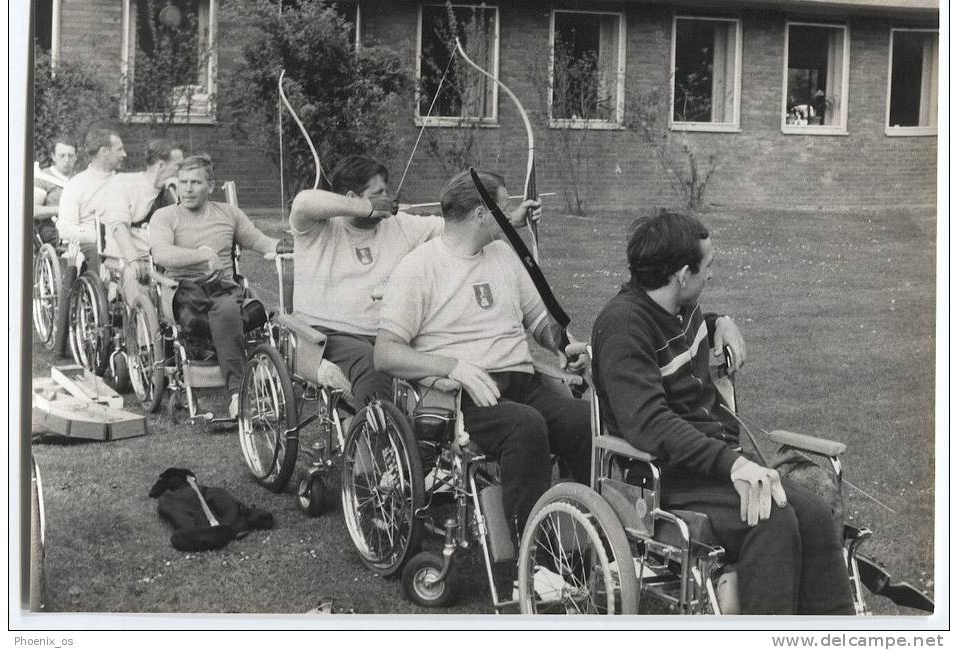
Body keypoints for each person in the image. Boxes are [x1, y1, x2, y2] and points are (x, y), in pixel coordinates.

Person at [590, 210, 854, 615]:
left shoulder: (682, 308)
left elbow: (686, 330)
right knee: (772, 519)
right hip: (667, 475)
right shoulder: (624, 328)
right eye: (707, 266)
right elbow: (650, 424)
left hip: (714, 462)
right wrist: (733, 465)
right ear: (681, 274)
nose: (711, 275)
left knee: (816, 515)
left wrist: (721, 322)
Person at [374, 169, 591, 540]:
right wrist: (454, 367)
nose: (510, 219)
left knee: (581, 419)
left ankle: (585, 534)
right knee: (526, 428)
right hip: (462, 396)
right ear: (480, 214)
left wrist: (562, 344)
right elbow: (386, 353)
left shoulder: (504, 254)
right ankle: (535, 554)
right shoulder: (419, 268)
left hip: (523, 382)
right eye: (503, 211)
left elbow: (540, 322)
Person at [289, 155, 537, 407]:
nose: (387, 198)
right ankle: (376, 438)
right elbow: (303, 202)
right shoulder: (317, 228)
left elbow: (461, 228)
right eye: (378, 193)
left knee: (425, 360)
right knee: (373, 367)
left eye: (386, 191)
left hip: (382, 335)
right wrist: (368, 207)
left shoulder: (400, 225)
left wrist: (510, 221)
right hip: (327, 332)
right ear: (352, 198)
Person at [149, 154, 284, 418]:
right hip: (183, 289)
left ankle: (236, 394)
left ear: (210, 186)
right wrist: (202, 254)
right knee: (226, 310)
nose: (187, 189)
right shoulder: (165, 216)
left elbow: (260, 241)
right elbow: (161, 254)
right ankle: (239, 392)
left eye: (195, 182)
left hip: (222, 288)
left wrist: (292, 248)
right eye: (183, 182)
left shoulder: (229, 214)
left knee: (226, 308)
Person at [103, 138, 183, 303]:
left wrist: (179, 195)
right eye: (178, 167)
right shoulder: (124, 184)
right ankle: (143, 327)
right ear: (160, 165)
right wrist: (134, 260)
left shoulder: (174, 191)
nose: (183, 172)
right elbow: (119, 228)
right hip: (127, 259)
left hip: (164, 260)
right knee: (137, 279)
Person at [57, 128, 128, 268]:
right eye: (119, 149)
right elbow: (65, 229)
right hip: (93, 249)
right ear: (104, 151)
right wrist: (101, 235)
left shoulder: (124, 183)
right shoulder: (76, 185)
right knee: (93, 252)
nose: (124, 154)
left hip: (124, 245)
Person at [33, 137, 78, 246]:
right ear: (53, 156)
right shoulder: (43, 178)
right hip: (52, 228)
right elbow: (34, 210)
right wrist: (61, 209)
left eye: (70, 156)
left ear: (76, 157)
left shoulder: (79, 178)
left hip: (79, 227)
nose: (67, 160)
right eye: (62, 155)